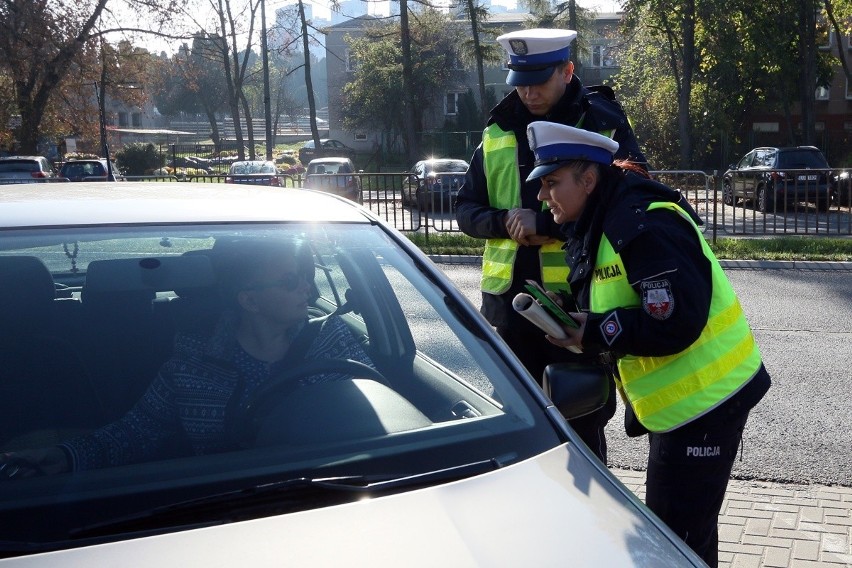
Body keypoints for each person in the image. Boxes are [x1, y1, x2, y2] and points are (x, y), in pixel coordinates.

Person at [525, 120, 772, 567]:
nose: (542, 196)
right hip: (684, 408)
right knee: (686, 540)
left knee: (673, 546)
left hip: (707, 404)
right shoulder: (605, 218)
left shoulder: (641, 223)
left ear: (588, 179)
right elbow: (623, 300)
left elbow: (676, 321)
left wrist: (596, 331)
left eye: (551, 182)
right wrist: (586, 324)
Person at [0, 238, 375, 478]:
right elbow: (137, 431)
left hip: (328, 493)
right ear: (250, 300)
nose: (307, 287)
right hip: (211, 511)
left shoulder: (332, 340)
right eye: (290, 280)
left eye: (305, 276)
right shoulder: (191, 363)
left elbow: (379, 416)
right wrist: (66, 456)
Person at [454, 28, 646, 462]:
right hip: (511, 308)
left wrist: (546, 223)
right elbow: (466, 209)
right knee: (521, 426)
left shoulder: (601, 122)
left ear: (568, 70)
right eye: (519, 81)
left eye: (539, 80)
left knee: (581, 426)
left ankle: (591, 510)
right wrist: (504, 221)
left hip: (578, 304)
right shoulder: (498, 127)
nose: (527, 91)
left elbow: (632, 202)